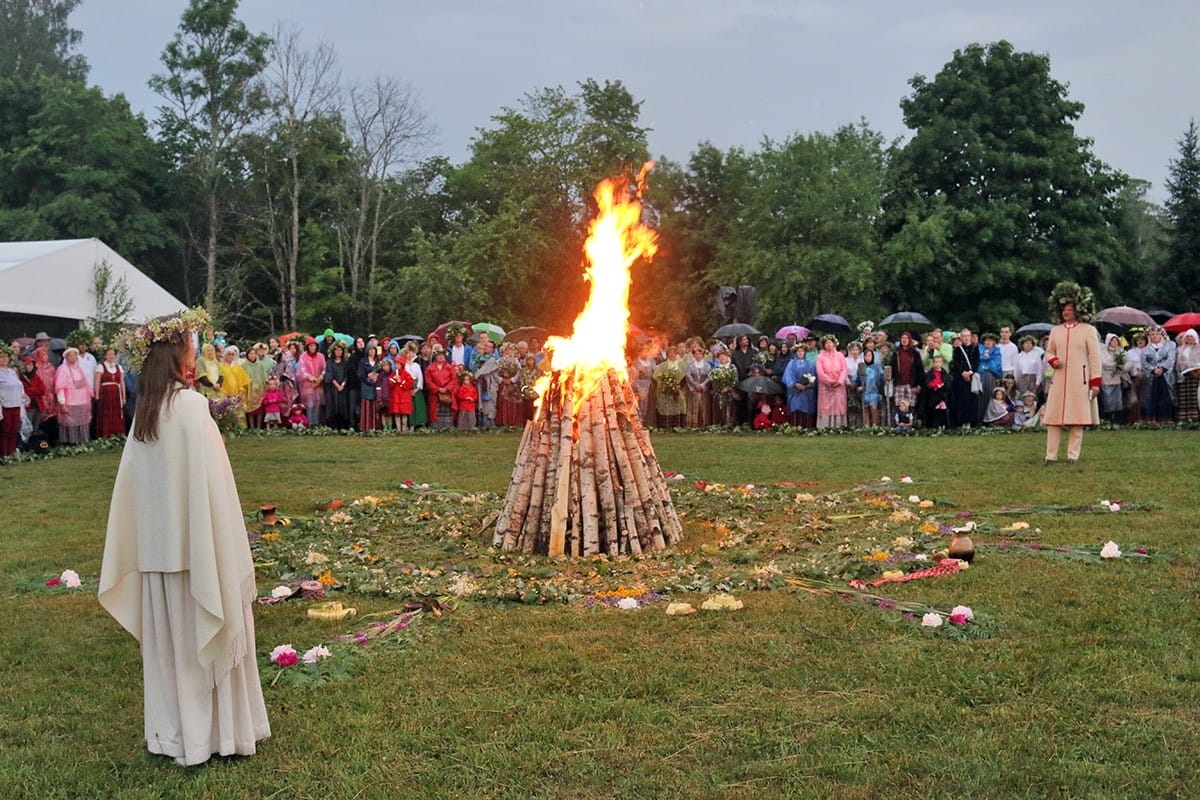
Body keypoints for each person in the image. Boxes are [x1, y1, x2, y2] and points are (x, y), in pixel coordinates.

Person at [99, 308, 270, 766]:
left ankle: (174, 735)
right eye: (193, 350)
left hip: (159, 555)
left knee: (171, 654)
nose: (196, 358)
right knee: (197, 644)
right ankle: (220, 734)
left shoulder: (145, 414)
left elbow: (135, 492)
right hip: (197, 555)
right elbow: (216, 490)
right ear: (178, 355)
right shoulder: (193, 408)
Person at [1042, 282, 1102, 465]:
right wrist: (1053, 360)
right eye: (1064, 309)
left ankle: (1072, 456)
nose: (1066, 312)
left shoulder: (1088, 330)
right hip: (1059, 380)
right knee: (1053, 419)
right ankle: (1050, 456)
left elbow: (1095, 356)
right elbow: (1049, 351)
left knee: (1077, 419)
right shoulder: (1056, 331)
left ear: (1078, 310)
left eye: (1069, 309)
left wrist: (1095, 381)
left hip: (1079, 381)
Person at [55, 347, 94, 443]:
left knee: (82, 422)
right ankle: (70, 442)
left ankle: (83, 441)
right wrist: (62, 403)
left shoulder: (79, 368)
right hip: (70, 402)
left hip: (82, 401)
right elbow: (60, 388)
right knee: (69, 423)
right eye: (70, 355)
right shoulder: (62, 369)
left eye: (74, 355)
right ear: (66, 357)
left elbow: (85, 385)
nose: (72, 357)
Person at [1139, 325, 1176, 423]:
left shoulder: (1170, 346)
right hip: (1151, 376)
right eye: (1152, 334)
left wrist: (1162, 369)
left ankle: (1166, 418)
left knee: (1166, 396)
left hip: (1166, 375)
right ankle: (1152, 418)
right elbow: (1144, 363)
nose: (1154, 336)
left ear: (1161, 335)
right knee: (1151, 396)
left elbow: (1171, 359)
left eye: (1157, 334)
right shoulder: (1145, 350)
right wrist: (1153, 370)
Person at [815, 334, 848, 428]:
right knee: (826, 406)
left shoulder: (840, 355)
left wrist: (839, 381)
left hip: (839, 386)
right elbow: (820, 372)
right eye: (826, 343)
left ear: (834, 344)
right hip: (826, 386)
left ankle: (839, 426)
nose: (829, 345)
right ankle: (825, 426)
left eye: (830, 342)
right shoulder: (820, 357)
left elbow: (844, 369)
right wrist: (830, 381)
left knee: (838, 405)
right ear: (823, 345)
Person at [93, 347, 127, 439]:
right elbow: (97, 382)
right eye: (109, 354)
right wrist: (96, 394)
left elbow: (122, 382)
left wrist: (124, 396)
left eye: (113, 354)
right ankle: (105, 434)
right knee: (106, 413)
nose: (111, 356)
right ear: (105, 356)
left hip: (116, 393)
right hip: (106, 394)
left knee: (117, 413)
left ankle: (118, 433)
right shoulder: (101, 367)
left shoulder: (118, 367)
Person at [0, 343, 26, 456]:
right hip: (5, 405)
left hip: (16, 404)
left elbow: (19, 385)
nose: (4, 359)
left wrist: (23, 395)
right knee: (4, 431)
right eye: (1, 357)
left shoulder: (11, 371)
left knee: (14, 430)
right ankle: (3, 453)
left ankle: (11, 452)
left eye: (6, 357)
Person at [1174, 328, 1199, 423]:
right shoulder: (1180, 349)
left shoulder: (1198, 348)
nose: (1189, 338)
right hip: (1183, 375)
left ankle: (1195, 418)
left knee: (1194, 397)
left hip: (1196, 374)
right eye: (1187, 336)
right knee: (1184, 397)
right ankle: (1184, 418)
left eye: (1191, 336)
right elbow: (1176, 362)